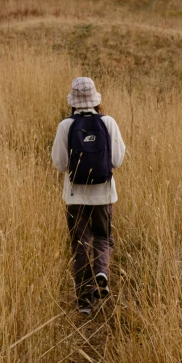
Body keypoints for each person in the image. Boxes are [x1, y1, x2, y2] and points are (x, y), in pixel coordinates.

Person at [52, 77, 126, 316]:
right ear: (95, 99)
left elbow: (60, 163)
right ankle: (102, 271)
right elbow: (117, 160)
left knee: (80, 246)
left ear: (74, 101)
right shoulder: (108, 122)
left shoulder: (66, 126)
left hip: (75, 197)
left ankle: (84, 303)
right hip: (103, 194)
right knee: (103, 238)